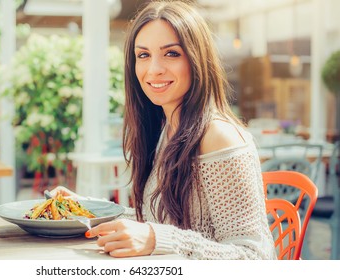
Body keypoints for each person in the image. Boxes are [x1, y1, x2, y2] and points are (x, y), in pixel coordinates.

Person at [52, 0, 277, 259]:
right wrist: (86, 208)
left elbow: (255, 257)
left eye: (171, 53)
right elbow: (154, 219)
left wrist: (156, 239)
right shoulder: (168, 129)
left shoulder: (219, 137)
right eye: (143, 55)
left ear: (196, 59)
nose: (154, 69)